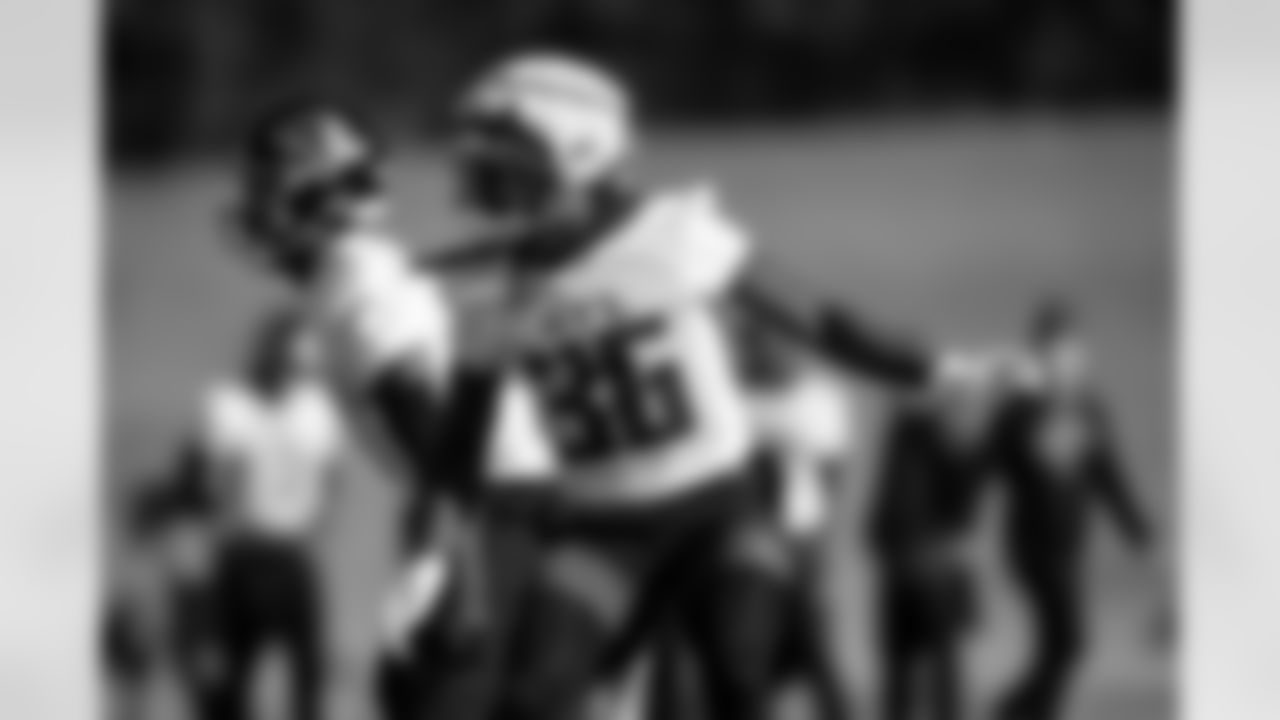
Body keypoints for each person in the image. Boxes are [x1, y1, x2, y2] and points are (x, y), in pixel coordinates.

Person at [437, 50, 1006, 720]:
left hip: (713, 512)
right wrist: (445, 555)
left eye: (509, 173)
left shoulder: (675, 235)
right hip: (601, 530)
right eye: (486, 174)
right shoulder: (491, 294)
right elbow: (458, 451)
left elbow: (822, 322)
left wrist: (936, 370)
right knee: (532, 698)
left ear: (581, 155)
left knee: (738, 673)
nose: (492, 192)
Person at [166, 307, 347, 720]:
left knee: (309, 680)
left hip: (293, 555)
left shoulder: (317, 410)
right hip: (240, 557)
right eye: (286, 364)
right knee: (227, 686)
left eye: (299, 368)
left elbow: (334, 477)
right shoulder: (227, 405)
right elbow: (198, 491)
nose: (291, 376)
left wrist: (316, 523)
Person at [987, 300, 1156, 720]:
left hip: (1069, 546)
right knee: (1069, 641)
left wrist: (1140, 534)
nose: (1065, 364)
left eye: (1071, 354)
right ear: (1039, 359)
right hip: (1031, 547)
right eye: (1054, 355)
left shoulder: (1089, 411)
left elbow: (1109, 478)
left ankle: (1019, 710)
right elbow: (983, 466)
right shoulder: (1020, 412)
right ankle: (1014, 709)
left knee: (1061, 646)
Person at [867, 380, 995, 720]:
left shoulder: (939, 436)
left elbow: (961, 502)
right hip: (910, 562)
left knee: (933, 665)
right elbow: (891, 506)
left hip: (930, 564)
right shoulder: (911, 432)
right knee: (913, 665)